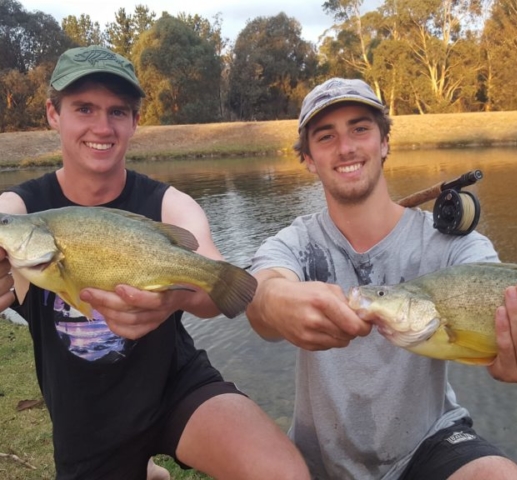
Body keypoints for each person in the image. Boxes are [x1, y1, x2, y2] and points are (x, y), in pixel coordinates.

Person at [245, 78, 517, 479]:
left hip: (431, 442)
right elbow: (262, 291)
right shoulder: (295, 241)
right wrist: (274, 302)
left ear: (384, 142)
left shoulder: (452, 246)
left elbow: (497, 286)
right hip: (317, 458)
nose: (347, 147)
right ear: (308, 159)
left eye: (360, 128)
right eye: (325, 136)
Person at [0, 45, 309, 480]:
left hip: (173, 384)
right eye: (84, 108)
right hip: (84, 419)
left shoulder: (168, 203)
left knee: (283, 474)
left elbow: (217, 285)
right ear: (53, 113)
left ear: (135, 121)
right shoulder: (21, 209)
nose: (102, 127)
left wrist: (176, 298)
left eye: (118, 112)